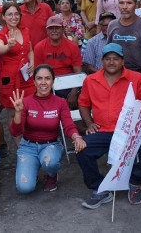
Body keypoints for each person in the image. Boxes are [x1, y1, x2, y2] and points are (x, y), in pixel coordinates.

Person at [77, 44, 141, 208]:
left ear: (122, 61)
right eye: (107, 58)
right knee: (82, 149)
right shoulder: (90, 80)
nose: (111, 62)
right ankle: (99, 187)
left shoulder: (136, 78)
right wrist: (88, 123)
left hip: (131, 131)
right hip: (103, 130)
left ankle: (135, 180)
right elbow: (83, 104)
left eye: (116, 58)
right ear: (101, 61)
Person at [9, 65, 85, 193]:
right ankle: (32, 170)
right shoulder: (26, 102)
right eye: (39, 78)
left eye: (47, 78)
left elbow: (68, 125)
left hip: (51, 145)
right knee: (24, 188)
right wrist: (17, 112)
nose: (43, 82)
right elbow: (15, 132)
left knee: (50, 162)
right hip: (28, 147)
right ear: (34, 82)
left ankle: (51, 174)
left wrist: (76, 137)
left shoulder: (60, 102)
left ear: (53, 81)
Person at [0, 3, 34, 142]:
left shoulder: (25, 30)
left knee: (30, 110)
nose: (14, 17)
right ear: (4, 17)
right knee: (12, 113)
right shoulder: (0, 35)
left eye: (16, 14)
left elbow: (30, 49)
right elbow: (0, 49)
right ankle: (20, 146)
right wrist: (8, 46)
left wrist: (32, 62)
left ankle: (31, 139)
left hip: (26, 77)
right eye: (10, 14)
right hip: (9, 79)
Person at [106, 0, 141, 72]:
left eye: (129, 3)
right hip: (117, 72)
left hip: (138, 73)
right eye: (121, 3)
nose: (124, 7)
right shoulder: (112, 25)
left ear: (136, 5)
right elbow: (108, 51)